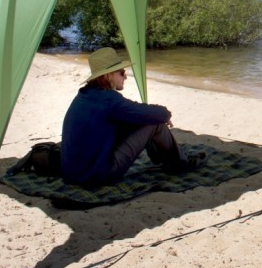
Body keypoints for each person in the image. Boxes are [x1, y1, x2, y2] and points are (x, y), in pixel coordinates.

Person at [61, 47, 207, 187]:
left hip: (72, 174)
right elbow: (158, 114)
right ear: (109, 75)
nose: (125, 76)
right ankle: (179, 163)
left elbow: (134, 112)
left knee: (142, 119)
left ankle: (167, 158)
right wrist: (164, 114)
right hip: (97, 176)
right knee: (154, 123)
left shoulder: (84, 95)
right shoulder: (110, 101)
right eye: (122, 72)